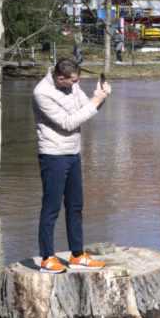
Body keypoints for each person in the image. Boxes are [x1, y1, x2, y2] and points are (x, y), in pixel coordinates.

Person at [32, 59, 110, 274]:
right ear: (60, 78)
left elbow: (86, 108)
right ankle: (47, 258)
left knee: (76, 206)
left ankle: (77, 255)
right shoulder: (42, 93)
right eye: (72, 81)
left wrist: (101, 97)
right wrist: (96, 101)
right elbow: (68, 123)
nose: (75, 85)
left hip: (73, 153)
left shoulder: (72, 84)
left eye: (77, 80)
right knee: (51, 208)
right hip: (53, 155)